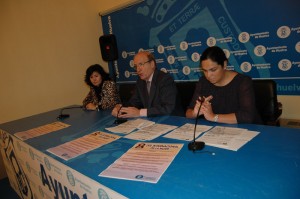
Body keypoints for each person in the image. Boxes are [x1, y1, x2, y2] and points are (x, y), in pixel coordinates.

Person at [186, 46, 262, 124]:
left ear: (224, 64)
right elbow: (189, 112)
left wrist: (213, 117)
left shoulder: (243, 82)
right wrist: (195, 113)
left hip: (248, 130)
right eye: (205, 71)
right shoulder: (203, 82)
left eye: (213, 70)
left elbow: (247, 116)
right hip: (217, 131)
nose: (208, 75)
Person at [112, 51, 182, 118]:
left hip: (172, 120)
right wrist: (119, 107)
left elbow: (168, 108)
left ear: (152, 64)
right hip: (153, 121)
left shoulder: (165, 79)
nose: (138, 70)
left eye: (141, 64)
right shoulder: (140, 82)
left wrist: (139, 113)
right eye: (136, 66)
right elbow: (133, 103)